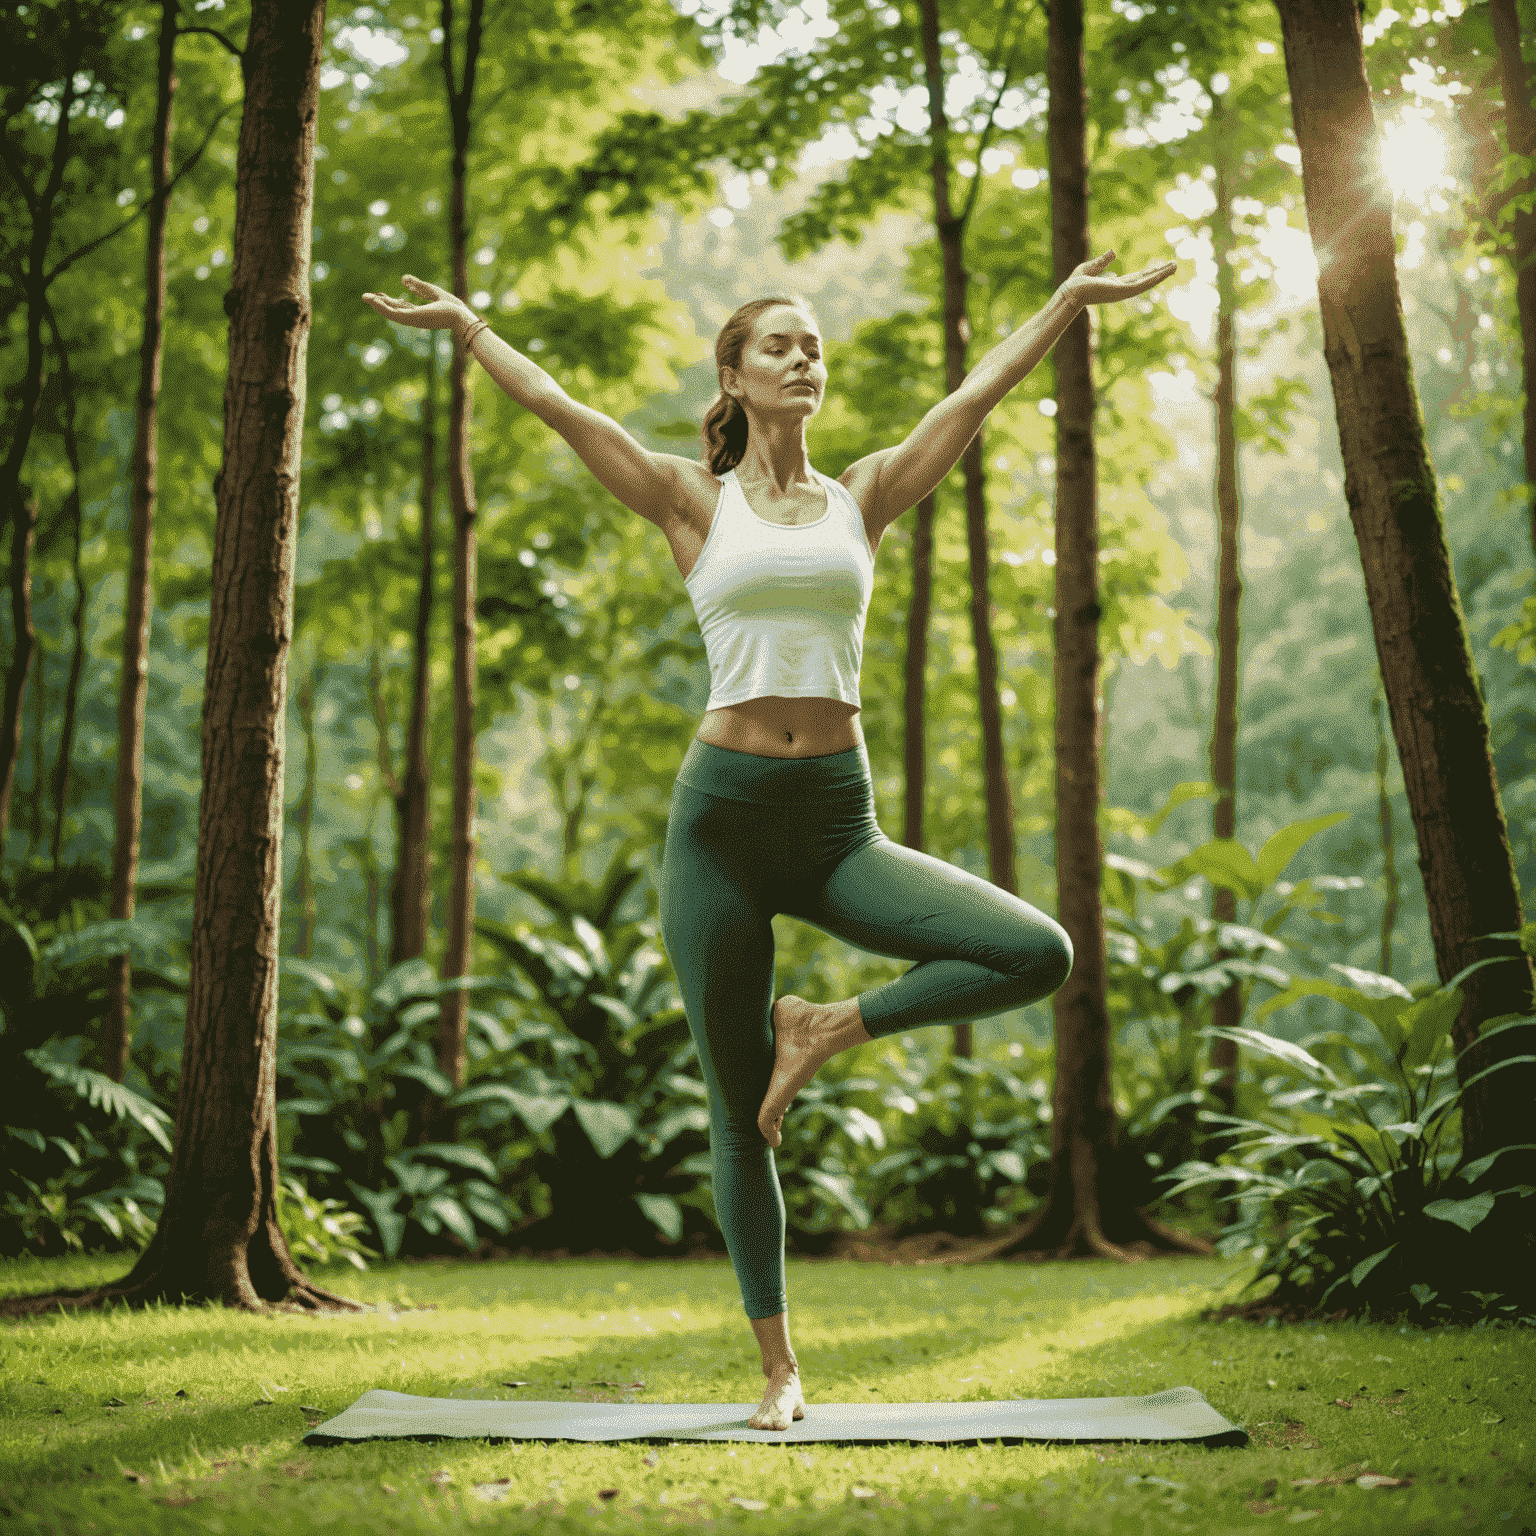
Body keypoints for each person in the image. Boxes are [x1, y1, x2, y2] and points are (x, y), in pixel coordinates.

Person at [361, 248, 1177, 1431]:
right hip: (722, 837)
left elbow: (974, 397)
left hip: (840, 828)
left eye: (814, 345)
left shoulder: (864, 495)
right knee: (739, 1106)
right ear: (735, 378)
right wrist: (471, 326)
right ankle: (780, 1370)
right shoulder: (693, 502)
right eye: (780, 344)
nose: (807, 357)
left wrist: (1062, 302)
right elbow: (562, 408)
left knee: (1034, 952)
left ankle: (829, 1025)